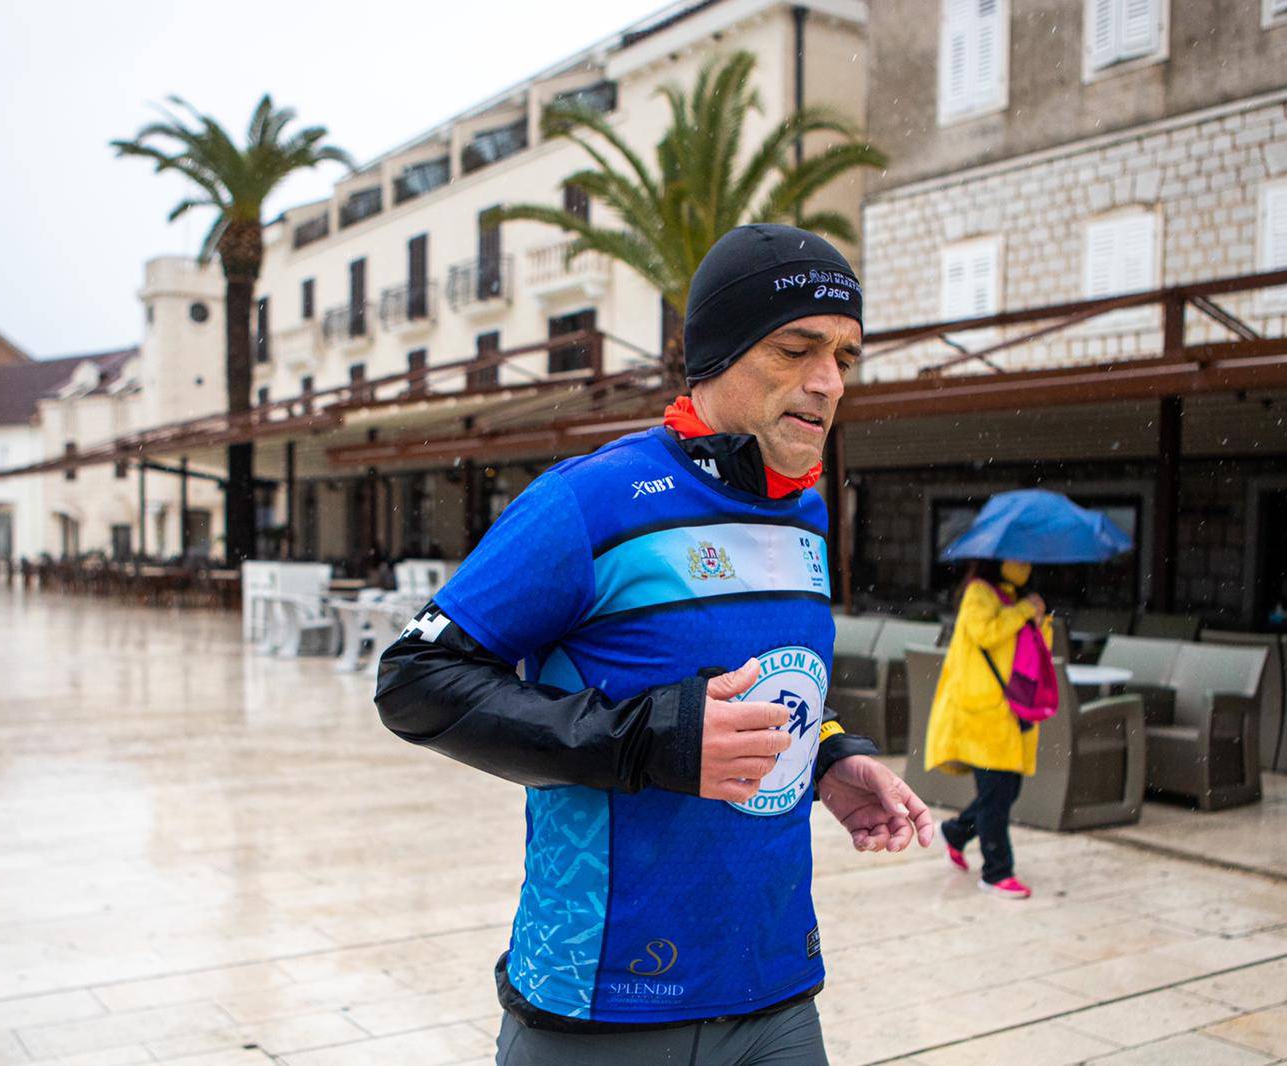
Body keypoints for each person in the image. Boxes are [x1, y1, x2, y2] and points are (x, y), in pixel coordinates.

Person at [376, 225, 934, 1066]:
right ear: (715, 353)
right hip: (604, 1005)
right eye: (795, 349)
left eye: (845, 360)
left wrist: (827, 754)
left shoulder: (806, 512)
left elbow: (764, 678)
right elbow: (415, 680)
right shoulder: (591, 501)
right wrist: (650, 740)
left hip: (777, 988)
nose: (826, 383)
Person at [924, 558, 1051, 900]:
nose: (1023, 564)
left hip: (1012, 709)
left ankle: (955, 831)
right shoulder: (979, 593)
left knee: (1007, 792)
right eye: (1016, 557)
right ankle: (997, 872)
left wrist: (1038, 618)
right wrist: (1024, 610)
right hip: (981, 712)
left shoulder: (1016, 596)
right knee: (996, 795)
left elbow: (1035, 649)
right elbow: (985, 632)